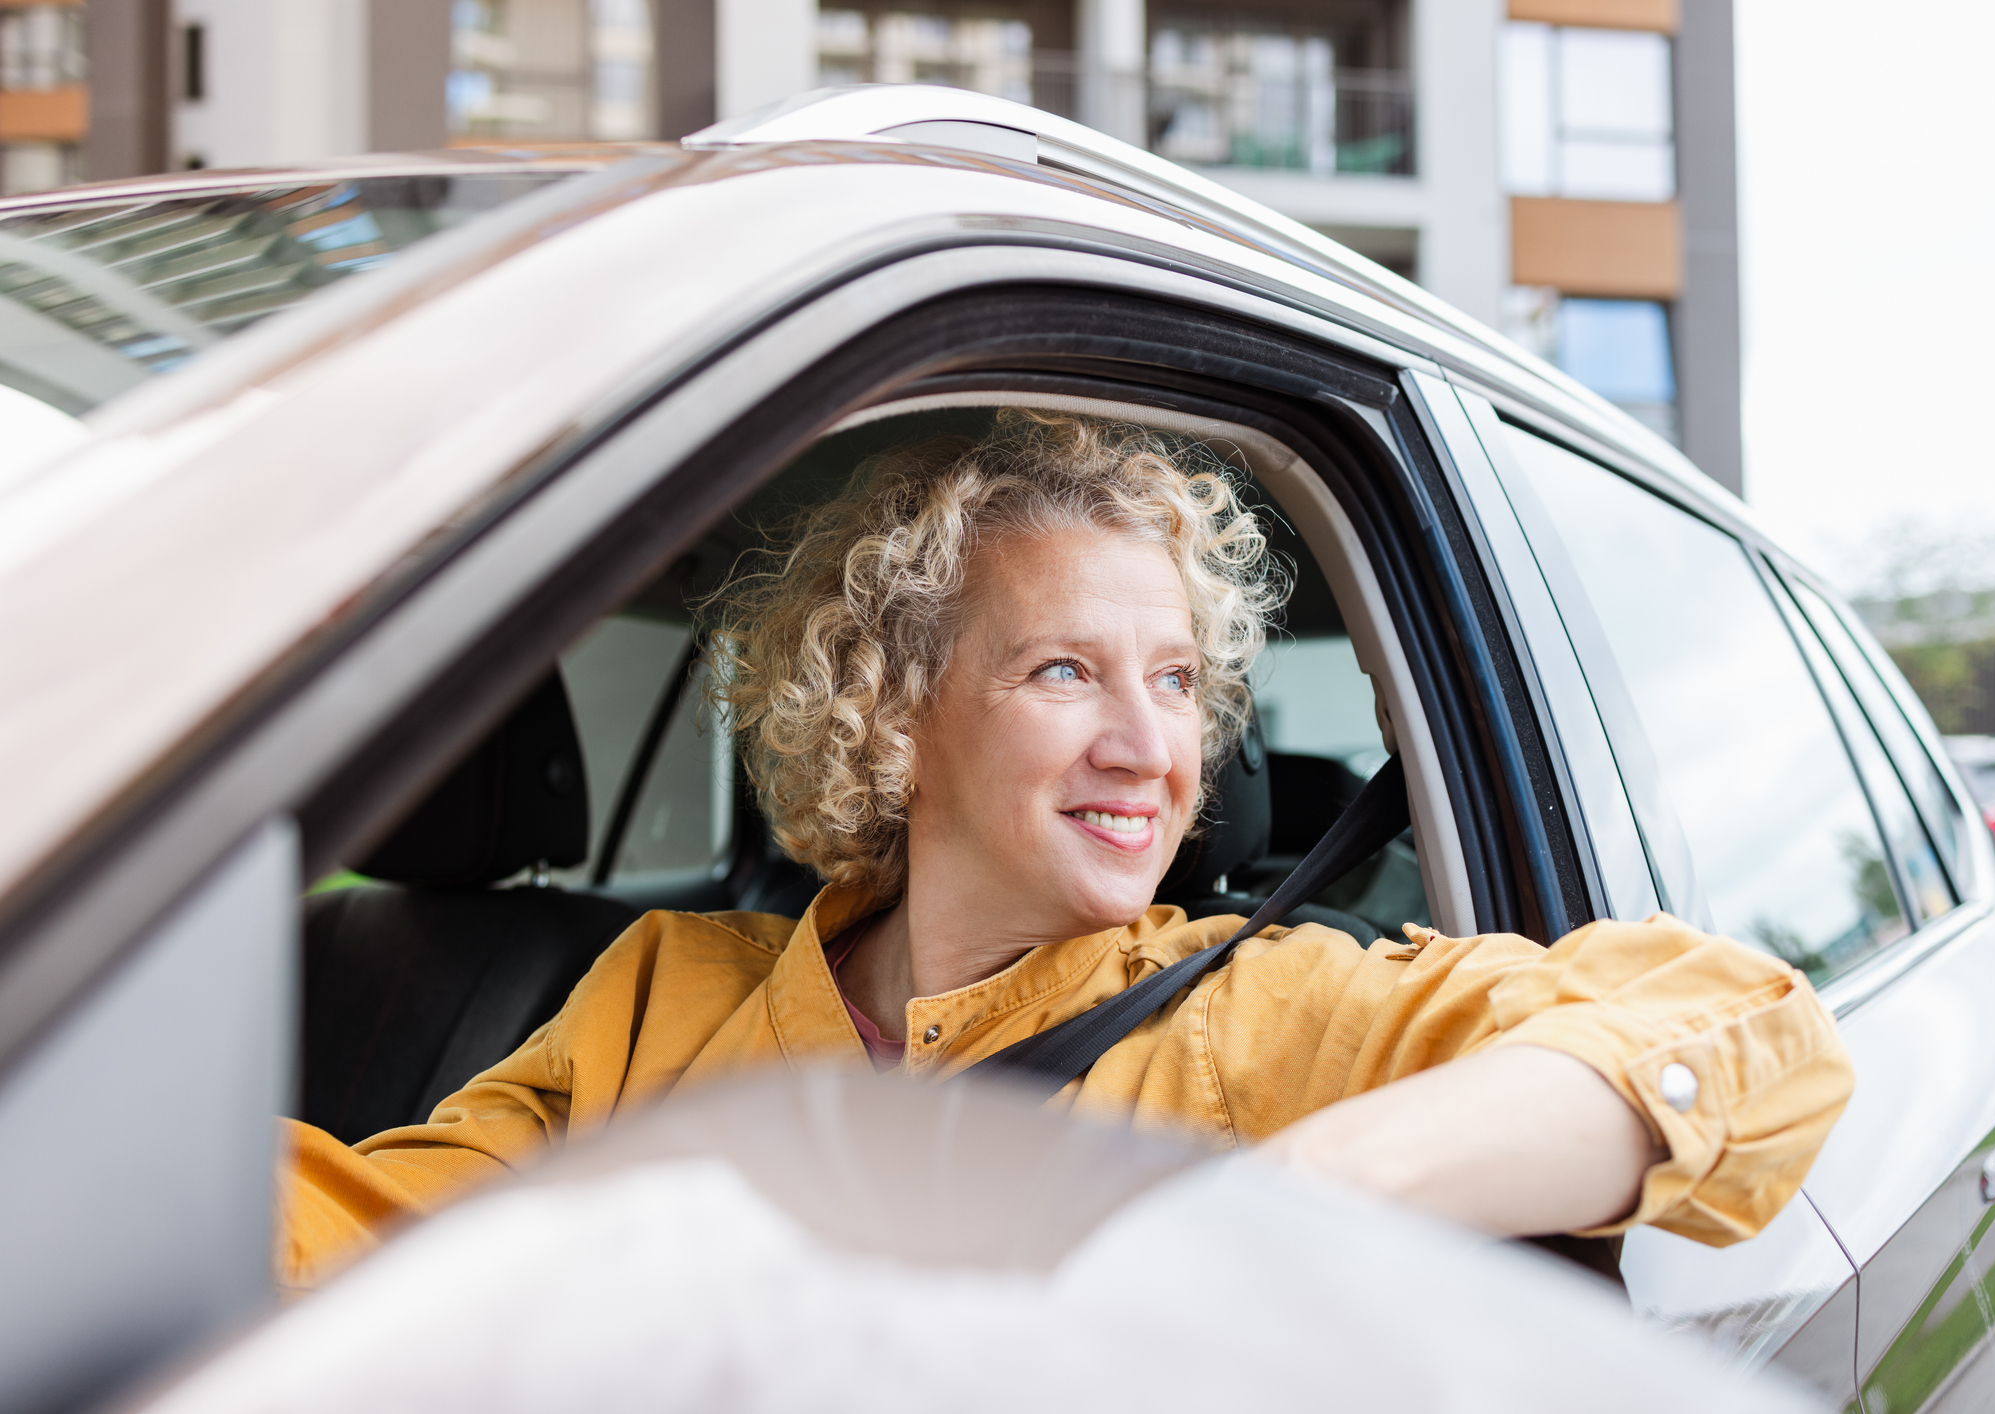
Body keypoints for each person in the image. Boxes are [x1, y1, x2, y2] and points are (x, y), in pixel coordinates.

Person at [282, 414, 1853, 1290]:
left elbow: (1746, 1035)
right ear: (896, 711)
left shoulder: (1242, 1020)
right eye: (1064, 672)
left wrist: (1286, 1200)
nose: (1150, 746)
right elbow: (369, 1242)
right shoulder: (660, 993)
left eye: (1175, 679)